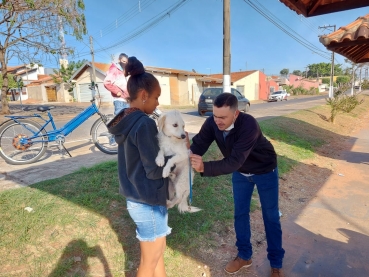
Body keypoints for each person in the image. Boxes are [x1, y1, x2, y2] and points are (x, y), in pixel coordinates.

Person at [189, 93, 285, 277]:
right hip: (241, 174)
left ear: (236, 113)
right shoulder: (212, 122)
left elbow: (234, 161)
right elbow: (199, 144)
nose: (217, 121)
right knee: (240, 214)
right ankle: (244, 256)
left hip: (264, 170)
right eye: (215, 115)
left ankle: (276, 264)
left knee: (270, 216)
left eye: (223, 117)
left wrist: (204, 167)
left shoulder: (248, 124)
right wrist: (187, 150)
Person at [107, 56, 170, 277]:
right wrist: (174, 160)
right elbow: (154, 168)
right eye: (156, 97)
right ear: (143, 96)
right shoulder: (144, 123)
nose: (158, 103)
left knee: (157, 253)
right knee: (149, 262)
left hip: (136, 197)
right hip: (148, 201)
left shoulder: (126, 120)